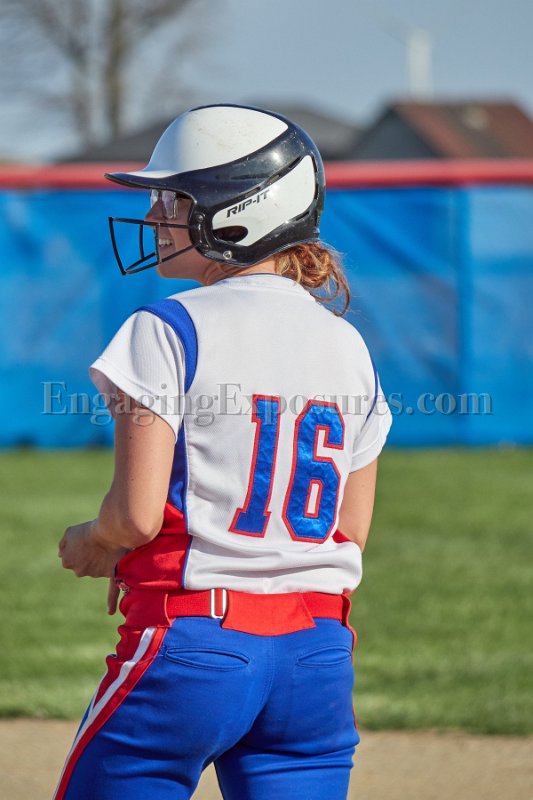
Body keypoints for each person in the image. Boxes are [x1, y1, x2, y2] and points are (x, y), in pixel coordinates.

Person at [56, 103, 392, 800]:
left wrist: (92, 541)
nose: (154, 216)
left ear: (237, 213)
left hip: (193, 644)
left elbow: (135, 518)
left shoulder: (167, 327)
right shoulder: (347, 343)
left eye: (173, 199)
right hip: (317, 656)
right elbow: (350, 530)